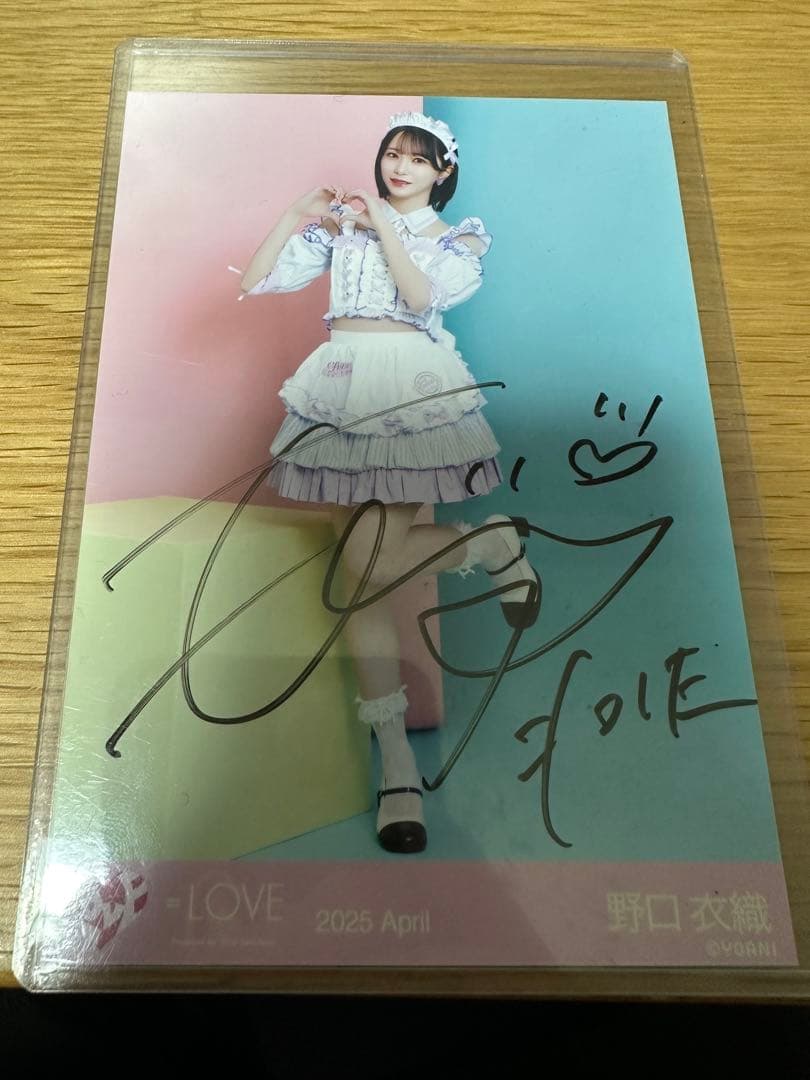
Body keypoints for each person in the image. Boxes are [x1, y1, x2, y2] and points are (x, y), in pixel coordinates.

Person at [240, 111, 539, 854]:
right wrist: (296, 214)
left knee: (369, 564)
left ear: (443, 171)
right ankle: (398, 765)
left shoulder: (456, 239)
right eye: (392, 154)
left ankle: (490, 546)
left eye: (418, 159)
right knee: (361, 584)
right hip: (337, 385)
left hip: (408, 388)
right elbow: (256, 280)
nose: (400, 167)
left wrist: (381, 223)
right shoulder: (342, 233)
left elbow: (419, 297)